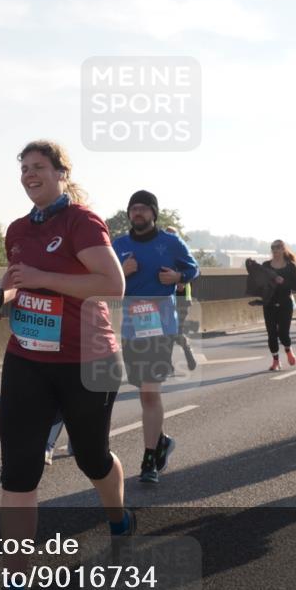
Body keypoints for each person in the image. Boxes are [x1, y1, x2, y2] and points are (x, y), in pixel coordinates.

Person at [0, 139, 135, 590]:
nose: (29, 174)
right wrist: (0, 296)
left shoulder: (81, 221)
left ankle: (119, 519)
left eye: (38, 167)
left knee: (91, 457)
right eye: (23, 167)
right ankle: (15, 587)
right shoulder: (17, 229)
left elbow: (113, 284)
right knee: (19, 473)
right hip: (27, 358)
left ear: (61, 173)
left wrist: (44, 277)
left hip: (88, 359)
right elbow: (19, 281)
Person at [113, 190, 200, 483]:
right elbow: (104, 281)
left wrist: (178, 278)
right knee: (143, 392)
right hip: (131, 329)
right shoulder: (118, 245)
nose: (137, 213)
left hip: (161, 328)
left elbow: (193, 269)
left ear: (153, 213)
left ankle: (149, 459)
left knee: (150, 392)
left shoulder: (170, 242)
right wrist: (122, 273)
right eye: (133, 208)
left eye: (143, 209)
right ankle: (160, 440)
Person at [246, 240, 296, 371]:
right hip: (269, 303)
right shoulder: (266, 265)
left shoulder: (290, 266)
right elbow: (258, 280)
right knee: (271, 334)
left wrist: (282, 281)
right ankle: (276, 361)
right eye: (273, 248)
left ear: (283, 249)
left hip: (285, 303)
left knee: (283, 333)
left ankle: (288, 349)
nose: (275, 250)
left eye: (278, 248)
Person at [164, 225, 198, 372]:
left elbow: (194, 270)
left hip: (182, 297)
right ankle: (167, 364)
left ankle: (188, 352)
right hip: (166, 298)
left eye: (172, 235)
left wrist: (182, 281)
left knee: (176, 332)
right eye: (167, 234)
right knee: (166, 332)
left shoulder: (183, 252)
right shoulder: (162, 253)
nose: (170, 238)